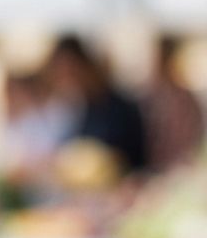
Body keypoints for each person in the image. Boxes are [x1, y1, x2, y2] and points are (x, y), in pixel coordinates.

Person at [46, 35, 147, 173]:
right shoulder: (82, 109)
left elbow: (131, 160)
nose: (67, 80)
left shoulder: (121, 110)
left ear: (86, 65)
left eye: (70, 72)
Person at [142, 36, 205, 172]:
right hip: (156, 168)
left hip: (178, 168)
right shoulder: (150, 96)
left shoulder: (184, 98)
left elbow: (195, 136)